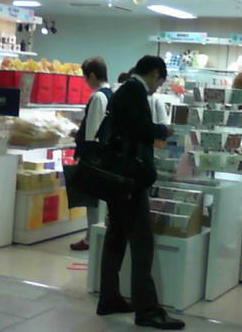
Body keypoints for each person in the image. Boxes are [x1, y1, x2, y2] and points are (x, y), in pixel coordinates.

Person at [98, 55, 184, 330]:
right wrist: (163, 129)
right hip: (131, 180)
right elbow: (141, 129)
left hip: (118, 177)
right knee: (142, 242)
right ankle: (147, 309)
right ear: (155, 73)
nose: (158, 87)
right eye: (160, 81)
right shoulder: (135, 91)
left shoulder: (124, 90)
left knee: (116, 236)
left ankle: (109, 297)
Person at [69, 56, 113, 251]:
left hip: (94, 157)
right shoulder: (110, 94)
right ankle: (95, 236)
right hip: (105, 157)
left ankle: (91, 237)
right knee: (100, 201)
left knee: (92, 201)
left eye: (86, 77)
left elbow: (93, 131)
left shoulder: (97, 97)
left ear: (93, 75)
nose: (85, 81)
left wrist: (83, 147)